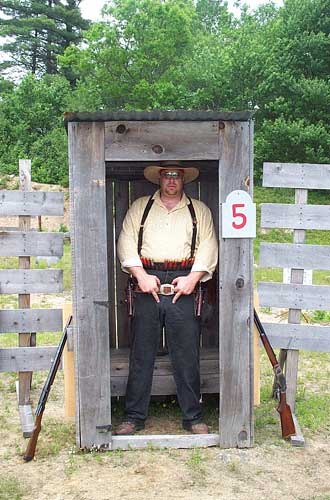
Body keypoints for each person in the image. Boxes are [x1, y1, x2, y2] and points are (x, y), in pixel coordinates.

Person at [116, 162, 218, 435]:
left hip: (184, 283)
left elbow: (208, 246)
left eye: (176, 175)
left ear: (183, 179)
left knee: (187, 354)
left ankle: (193, 417)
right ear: (159, 178)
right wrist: (140, 275)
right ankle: (133, 416)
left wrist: (192, 280)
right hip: (146, 283)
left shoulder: (199, 210)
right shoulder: (141, 207)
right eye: (167, 175)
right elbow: (126, 242)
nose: (171, 180)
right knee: (141, 353)